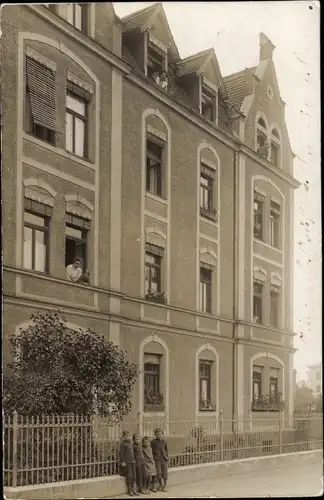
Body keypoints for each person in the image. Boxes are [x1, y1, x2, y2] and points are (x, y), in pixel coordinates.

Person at [119, 431, 138, 497]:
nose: (129, 437)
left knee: (134, 476)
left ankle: (134, 489)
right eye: (127, 435)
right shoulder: (123, 444)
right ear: (124, 437)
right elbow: (121, 454)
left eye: (130, 435)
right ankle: (129, 490)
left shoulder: (131, 443)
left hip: (132, 462)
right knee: (129, 476)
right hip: (127, 463)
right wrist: (122, 462)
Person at [151, 428, 168, 492]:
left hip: (164, 458)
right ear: (155, 435)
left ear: (162, 434)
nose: (159, 435)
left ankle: (165, 485)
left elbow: (166, 450)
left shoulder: (164, 441)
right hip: (157, 459)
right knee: (159, 473)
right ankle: (160, 484)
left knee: (165, 472)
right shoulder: (153, 442)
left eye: (160, 434)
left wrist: (166, 457)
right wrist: (154, 457)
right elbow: (151, 450)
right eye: (157, 434)